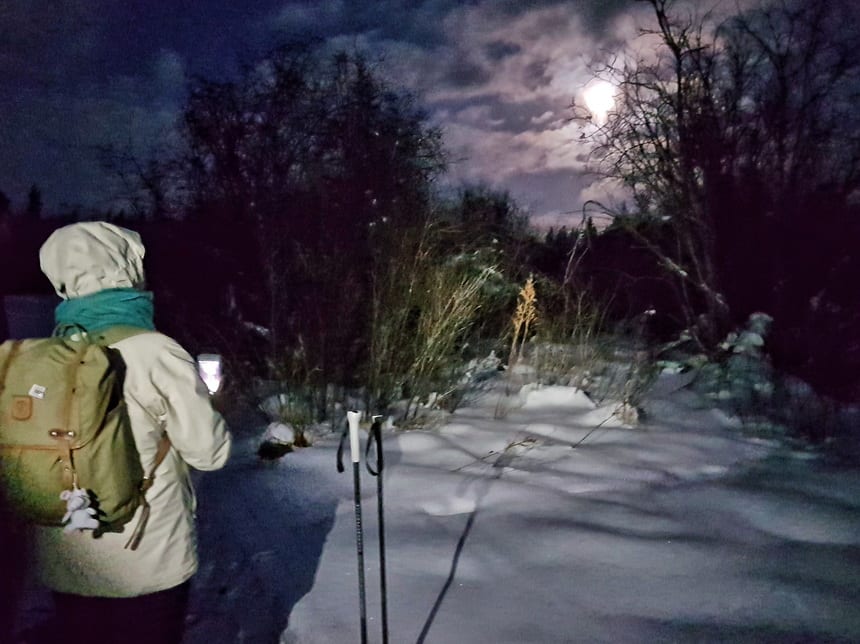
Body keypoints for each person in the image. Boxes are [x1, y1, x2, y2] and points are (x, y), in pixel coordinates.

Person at [25, 221, 231, 644]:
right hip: (147, 559)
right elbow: (209, 454)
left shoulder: (41, 357)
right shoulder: (156, 352)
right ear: (126, 267)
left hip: (69, 555)